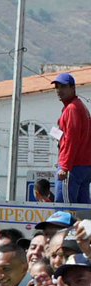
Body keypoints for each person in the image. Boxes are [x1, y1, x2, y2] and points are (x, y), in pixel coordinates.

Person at [52, 73, 91, 204]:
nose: (59, 90)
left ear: (73, 88)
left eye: (63, 86)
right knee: (83, 210)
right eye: (57, 87)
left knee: (64, 208)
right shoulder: (79, 106)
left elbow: (71, 140)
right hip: (83, 166)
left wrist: (64, 166)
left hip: (73, 167)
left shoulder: (72, 108)